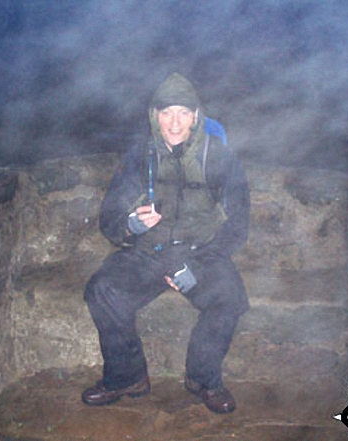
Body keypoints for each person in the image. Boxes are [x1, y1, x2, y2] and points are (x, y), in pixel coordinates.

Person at [82, 72, 250, 414]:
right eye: (166, 112)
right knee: (102, 288)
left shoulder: (218, 157)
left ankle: (203, 378)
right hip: (147, 253)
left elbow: (239, 225)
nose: (174, 122)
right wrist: (130, 226)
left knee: (229, 296)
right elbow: (110, 217)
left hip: (199, 253)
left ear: (196, 117)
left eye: (183, 113)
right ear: (154, 116)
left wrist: (199, 265)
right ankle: (127, 377)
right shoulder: (139, 157)